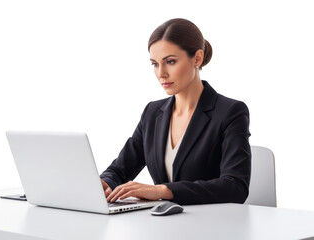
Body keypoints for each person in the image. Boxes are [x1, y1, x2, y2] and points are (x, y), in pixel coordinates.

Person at [100, 18, 251, 205]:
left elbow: (235, 187)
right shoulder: (152, 113)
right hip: (164, 225)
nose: (161, 73)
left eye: (170, 61)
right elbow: (119, 170)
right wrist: (103, 183)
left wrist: (163, 190)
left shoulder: (230, 112)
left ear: (197, 58)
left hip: (213, 226)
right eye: (154, 64)